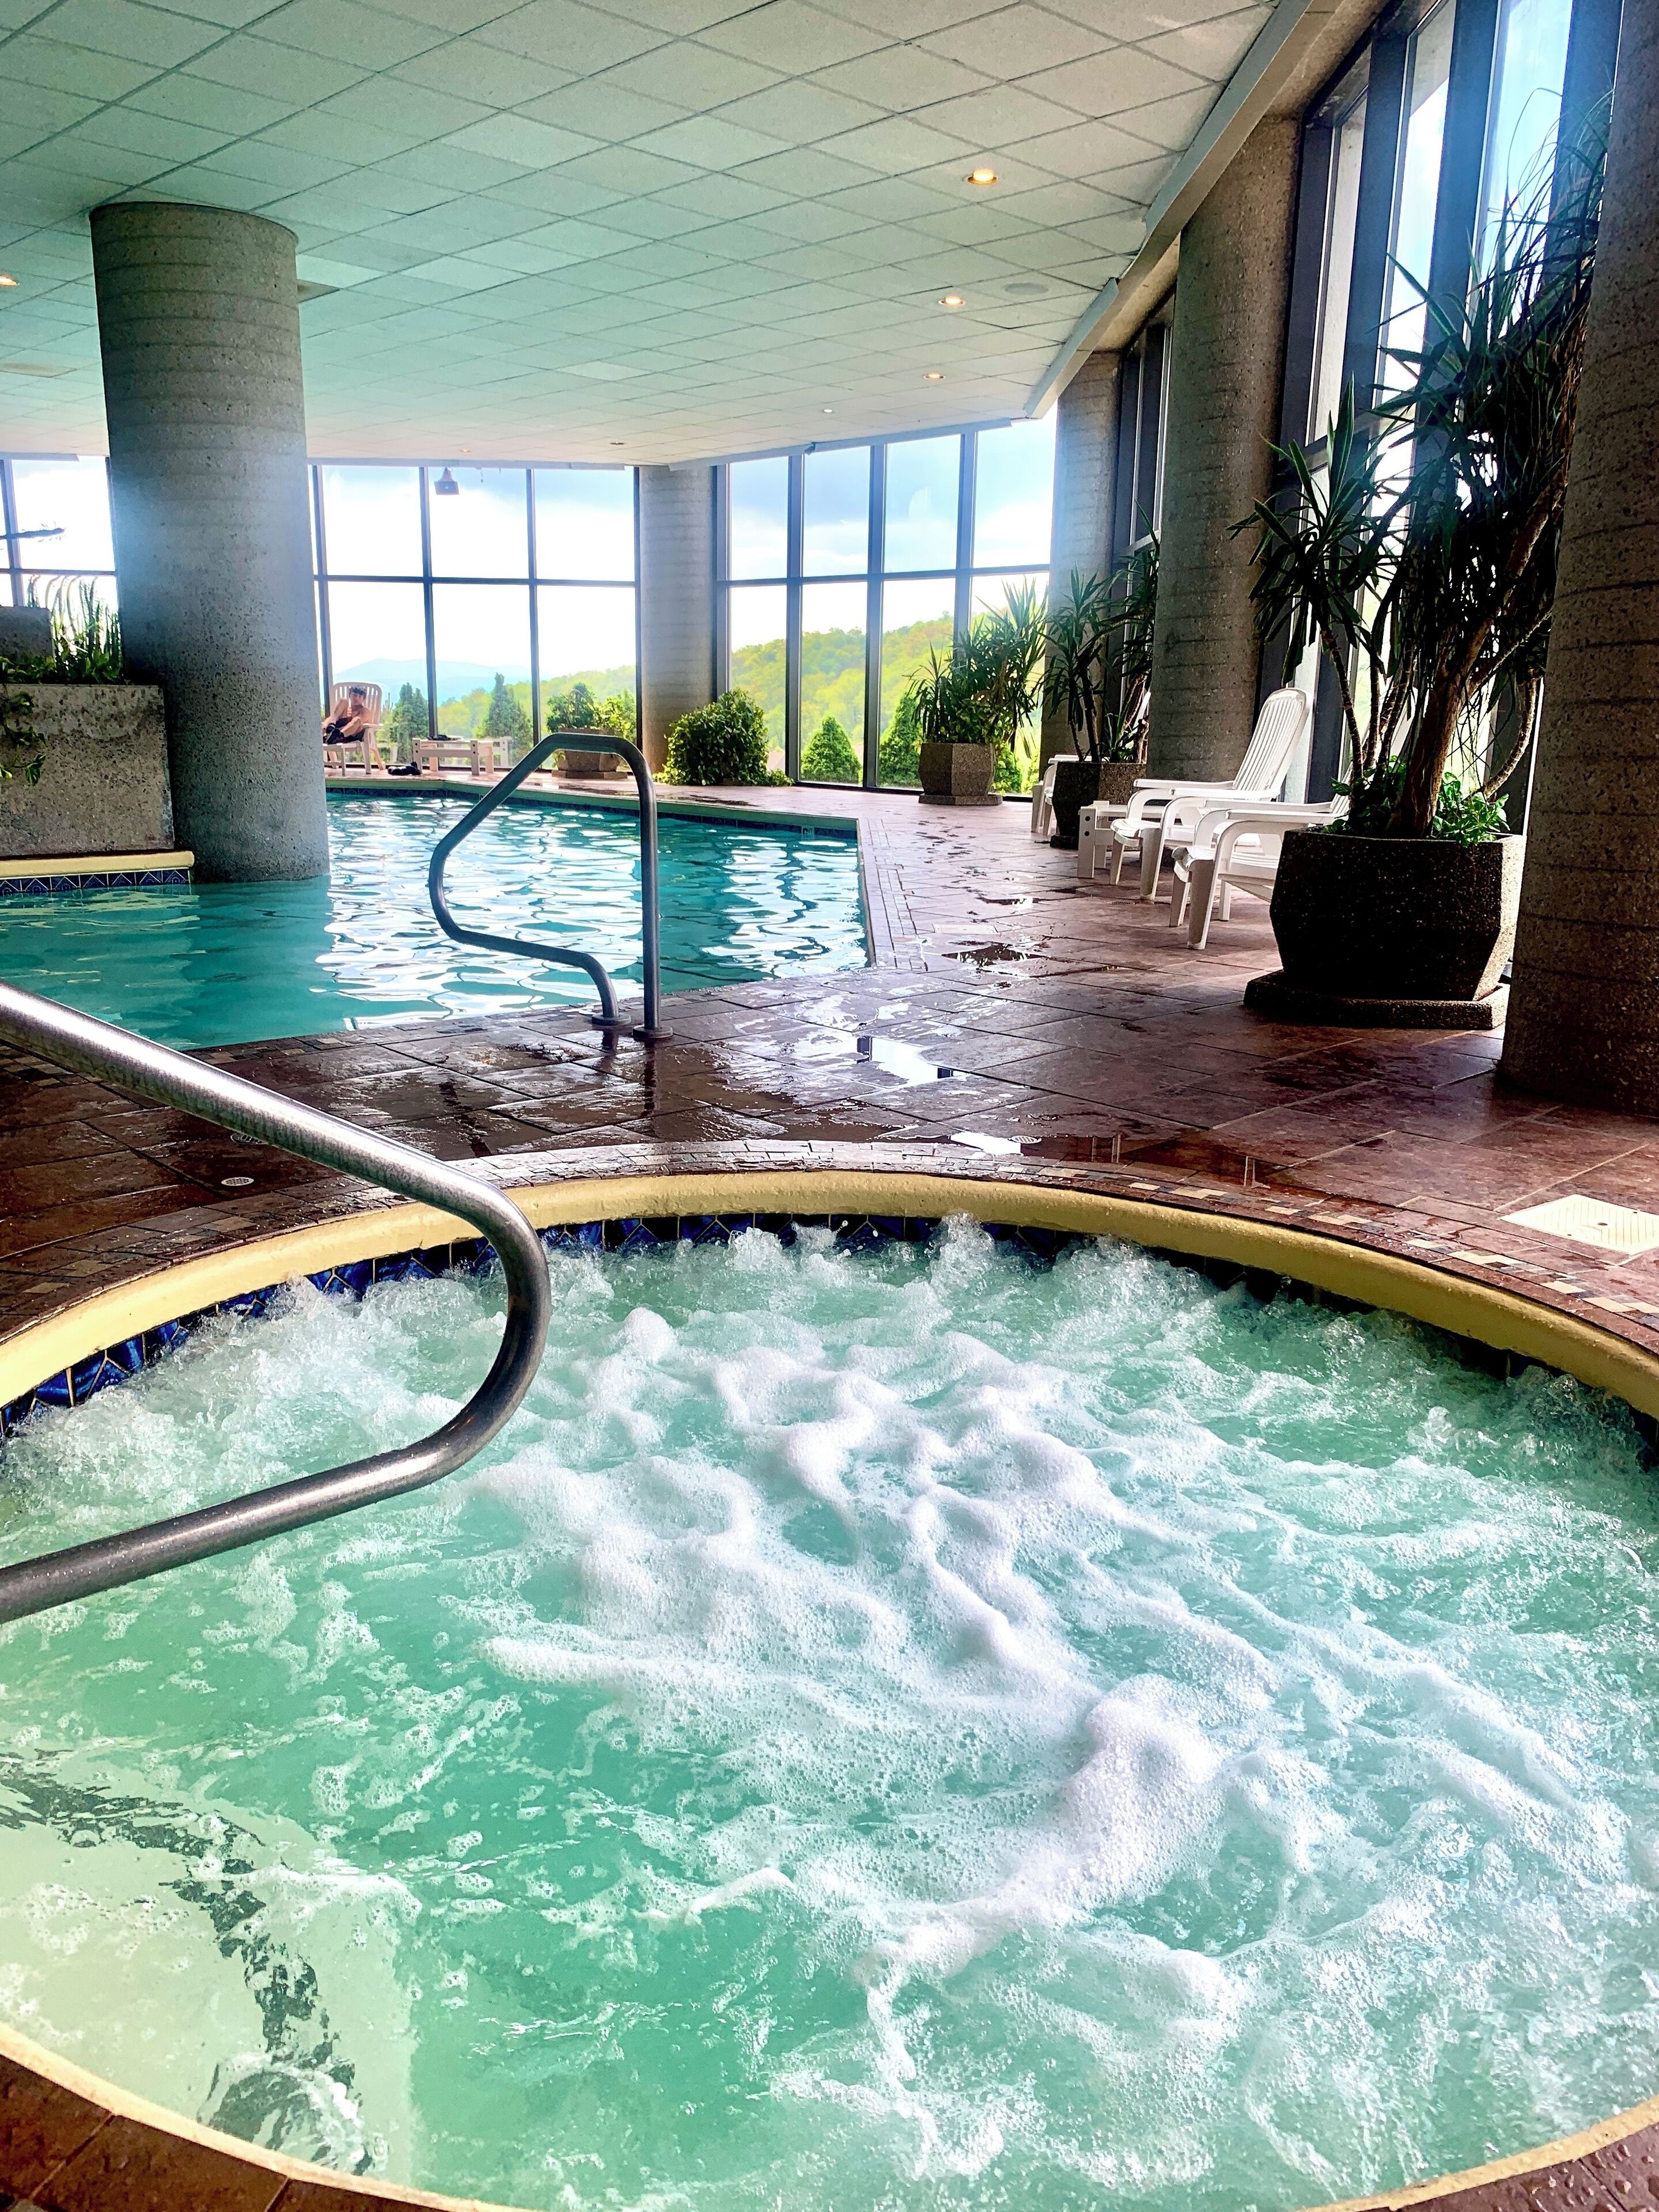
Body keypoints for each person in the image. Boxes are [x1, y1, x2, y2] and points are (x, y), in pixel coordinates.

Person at [322, 684, 374, 748]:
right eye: (355, 695)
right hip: (335, 731)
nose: (357, 698)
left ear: (364, 699)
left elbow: (357, 723)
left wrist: (338, 731)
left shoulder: (365, 711)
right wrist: (325, 727)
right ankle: (331, 728)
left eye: (360, 696)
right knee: (343, 701)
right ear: (350, 695)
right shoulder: (346, 710)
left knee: (357, 720)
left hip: (352, 735)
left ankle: (337, 736)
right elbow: (330, 718)